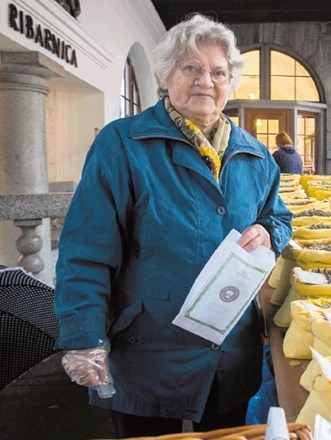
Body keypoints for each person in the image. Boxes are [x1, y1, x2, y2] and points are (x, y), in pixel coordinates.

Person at [53, 14, 293, 437]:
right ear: (167, 76)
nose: (206, 81)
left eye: (218, 72)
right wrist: (83, 336)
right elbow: (87, 251)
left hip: (227, 352)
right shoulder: (123, 144)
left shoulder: (254, 155)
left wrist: (269, 233)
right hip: (147, 350)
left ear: (230, 82)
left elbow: (277, 217)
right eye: (192, 68)